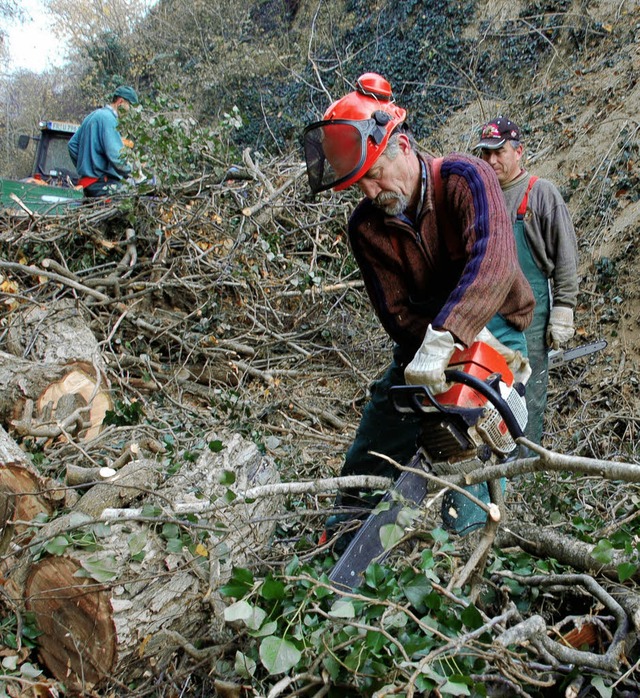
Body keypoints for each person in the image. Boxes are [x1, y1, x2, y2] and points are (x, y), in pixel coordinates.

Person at [303, 73, 535, 535]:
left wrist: (459, 331)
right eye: (359, 185)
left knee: (474, 427)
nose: (371, 193)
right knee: (383, 422)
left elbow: (496, 258)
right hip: (424, 340)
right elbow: (396, 311)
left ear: (404, 147)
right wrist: (434, 344)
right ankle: (345, 526)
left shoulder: (467, 178)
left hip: (496, 320)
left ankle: (465, 538)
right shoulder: (366, 227)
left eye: (374, 176)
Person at [474, 116, 579, 445]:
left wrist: (564, 308)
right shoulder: (478, 198)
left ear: (519, 151)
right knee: (484, 392)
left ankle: (525, 467)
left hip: (530, 320)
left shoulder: (541, 194)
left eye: (499, 152)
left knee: (526, 395)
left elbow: (565, 254)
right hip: (483, 314)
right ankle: (490, 474)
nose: (492, 161)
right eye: (485, 154)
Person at [68, 85, 139, 198]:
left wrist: (87, 166)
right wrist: (136, 173)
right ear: (120, 102)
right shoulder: (109, 119)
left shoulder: (93, 116)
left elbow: (72, 145)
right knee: (132, 203)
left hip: (87, 184)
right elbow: (117, 156)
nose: (131, 113)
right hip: (102, 184)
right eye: (130, 107)